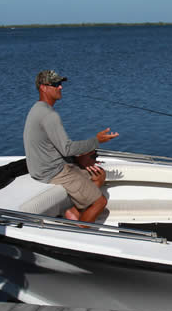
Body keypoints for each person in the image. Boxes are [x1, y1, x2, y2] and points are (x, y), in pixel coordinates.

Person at [23, 70, 118, 223]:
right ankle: (80, 234)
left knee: (98, 174)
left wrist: (80, 158)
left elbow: (56, 147)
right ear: (43, 88)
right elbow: (67, 148)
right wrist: (97, 140)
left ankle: (73, 213)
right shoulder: (49, 115)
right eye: (55, 84)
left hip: (47, 166)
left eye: (60, 84)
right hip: (53, 172)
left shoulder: (37, 109)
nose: (60, 87)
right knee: (100, 202)